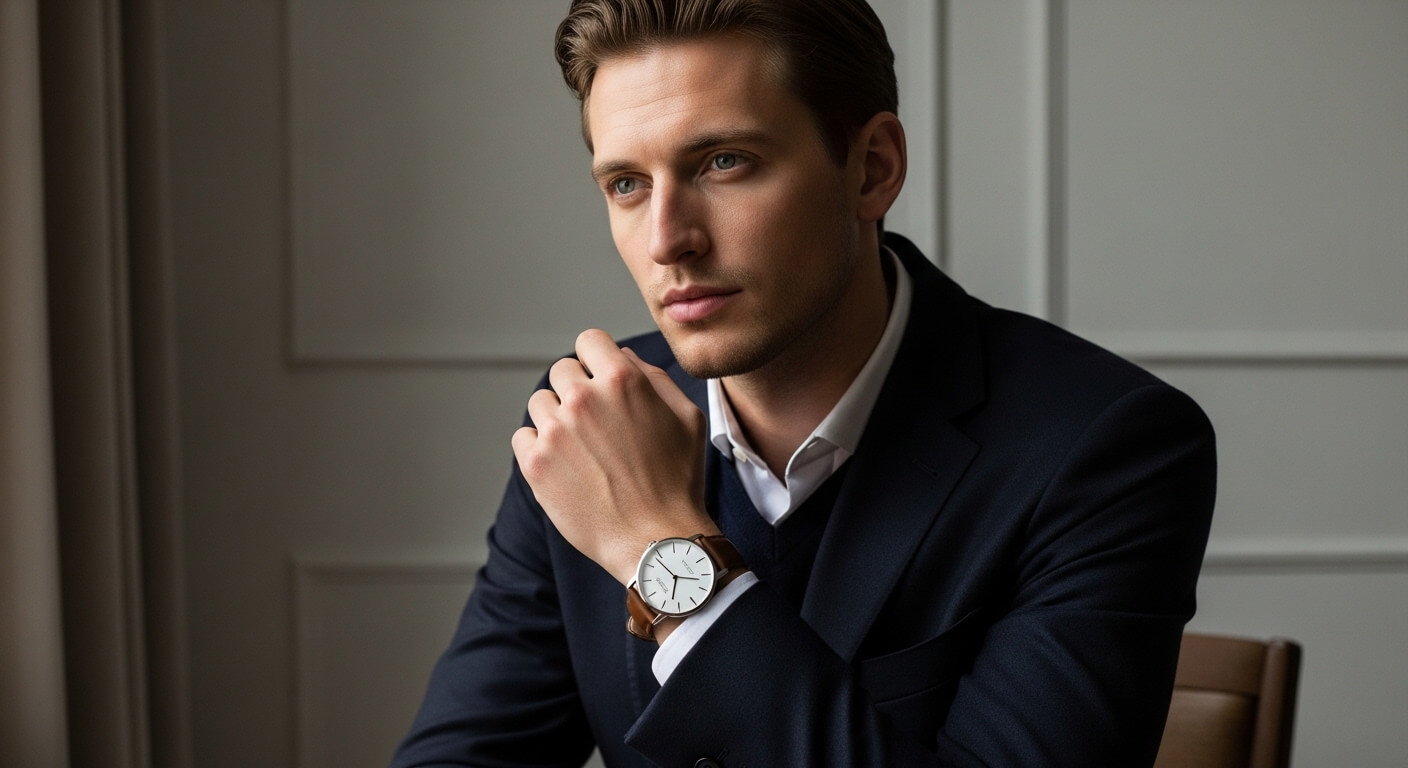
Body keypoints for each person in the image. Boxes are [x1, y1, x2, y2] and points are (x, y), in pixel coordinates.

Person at [392, 1, 1216, 766]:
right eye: (627, 185)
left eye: (723, 161)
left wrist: (661, 550)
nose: (666, 240)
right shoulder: (591, 418)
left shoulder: (1104, 446)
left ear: (873, 170)